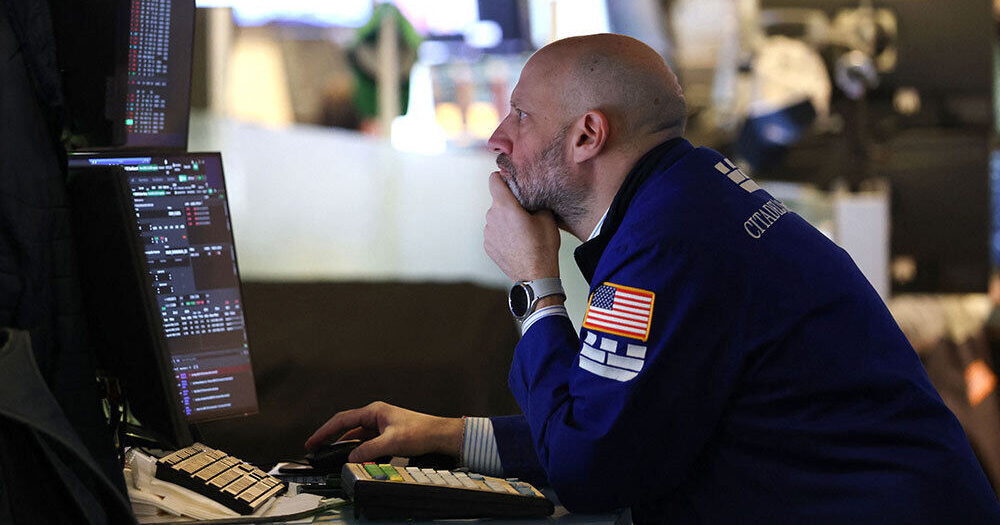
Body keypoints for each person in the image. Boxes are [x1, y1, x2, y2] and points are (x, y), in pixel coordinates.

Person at [307, 34, 1000, 523]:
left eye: (521, 115)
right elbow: (625, 427)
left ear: (588, 135)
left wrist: (536, 288)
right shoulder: (689, 201)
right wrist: (448, 436)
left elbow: (592, 468)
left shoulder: (668, 245)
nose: (497, 138)